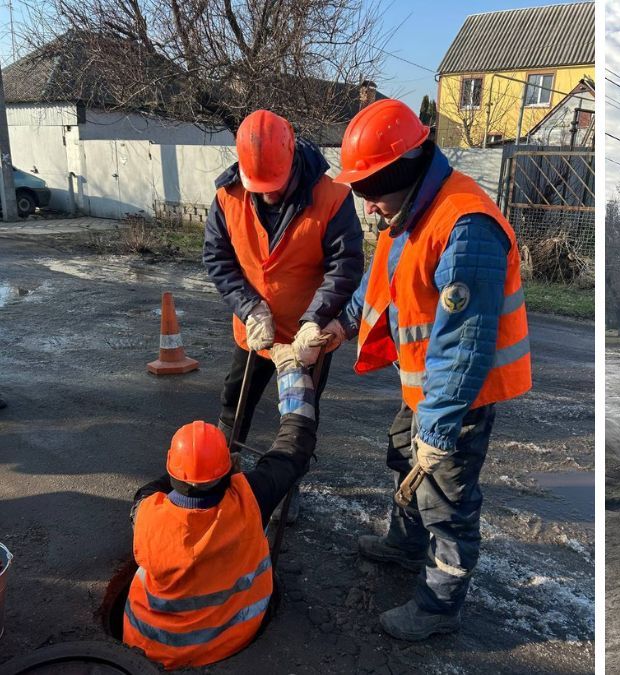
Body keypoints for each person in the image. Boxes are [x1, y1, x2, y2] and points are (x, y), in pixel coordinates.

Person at [304, 98, 531, 640]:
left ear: (400, 170)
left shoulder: (466, 224)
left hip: (461, 399)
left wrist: (439, 426)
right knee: (403, 459)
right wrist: (341, 325)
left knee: (447, 499)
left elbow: (466, 343)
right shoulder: (407, 214)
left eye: (368, 190)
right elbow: (377, 286)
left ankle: (439, 607)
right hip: (426, 390)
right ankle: (403, 547)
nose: (366, 204)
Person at [122, 344, 317, 669]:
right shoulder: (249, 499)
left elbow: (148, 491)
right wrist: (292, 370)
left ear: (172, 472)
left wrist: (190, 468)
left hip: (146, 648)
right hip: (232, 641)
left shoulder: (147, 515)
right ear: (231, 470)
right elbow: (294, 445)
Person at [202, 109, 363, 487]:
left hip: (305, 338)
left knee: (298, 419)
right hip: (255, 332)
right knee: (234, 402)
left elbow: (346, 266)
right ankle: (218, 476)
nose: (269, 192)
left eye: (276, 183)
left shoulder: (333, 198)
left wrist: (316, 320)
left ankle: (281, 490)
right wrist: (249, 307)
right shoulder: (228, 197)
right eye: (260, 185)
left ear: (292, 158)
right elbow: (217, 258)